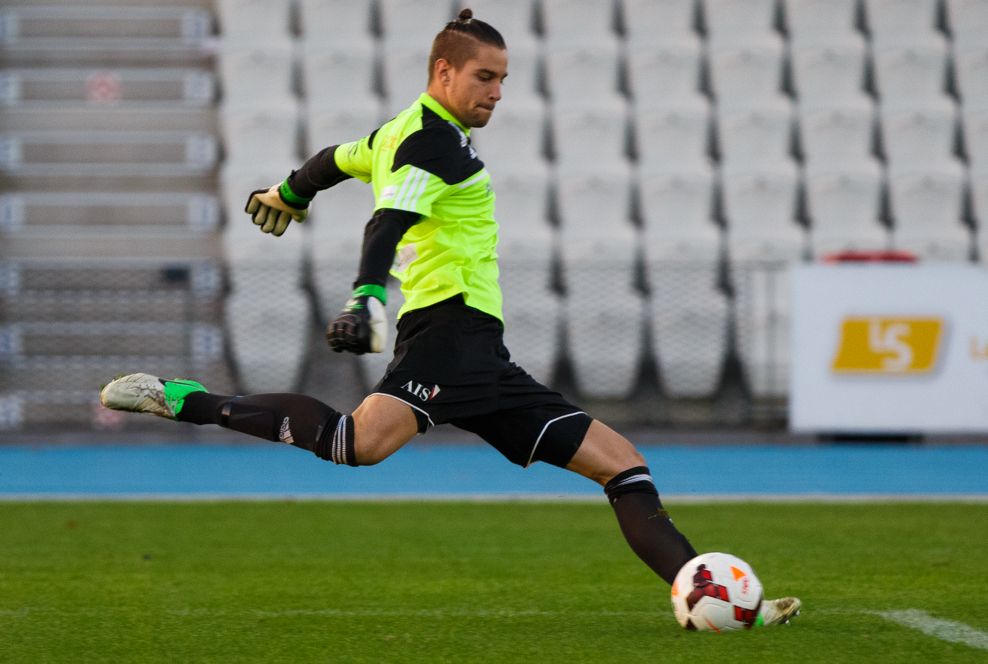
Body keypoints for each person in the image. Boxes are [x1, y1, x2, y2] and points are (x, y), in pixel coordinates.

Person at [101, 9, 799, 626]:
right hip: (447, 336)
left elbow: (336, 159)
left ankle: (713, 598)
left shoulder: (399, 133)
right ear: (444, 72)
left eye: (503, 79)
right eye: (486, 78)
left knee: (624, 466)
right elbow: (390, 218)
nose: (497, 93)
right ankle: (187, 400)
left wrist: (288, 192)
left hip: (481, 352)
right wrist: (366, 295)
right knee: (357, 443)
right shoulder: (429, 142)